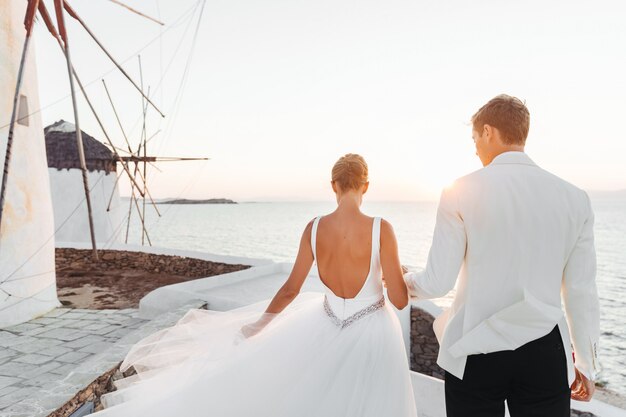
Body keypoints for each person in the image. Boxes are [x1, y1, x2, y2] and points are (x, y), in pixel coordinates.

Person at [91, 153, 417, 417]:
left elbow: (290, 289)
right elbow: (400, 300)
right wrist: (394, 273)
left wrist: (260, 325)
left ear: (333, 185)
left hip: (325, 327)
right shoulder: (381, 229)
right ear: (366, 185)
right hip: (374, 333)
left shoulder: (313, 229)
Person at [403, 94, 600, 417]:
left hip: (475, 347)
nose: (475, 147)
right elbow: (580, 291)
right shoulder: (575, 199)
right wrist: (587, 366)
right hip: (544, 350)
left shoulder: (459, 190)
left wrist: (403, 280)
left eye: (475, 138)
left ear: (489, 132)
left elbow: (438, 283)